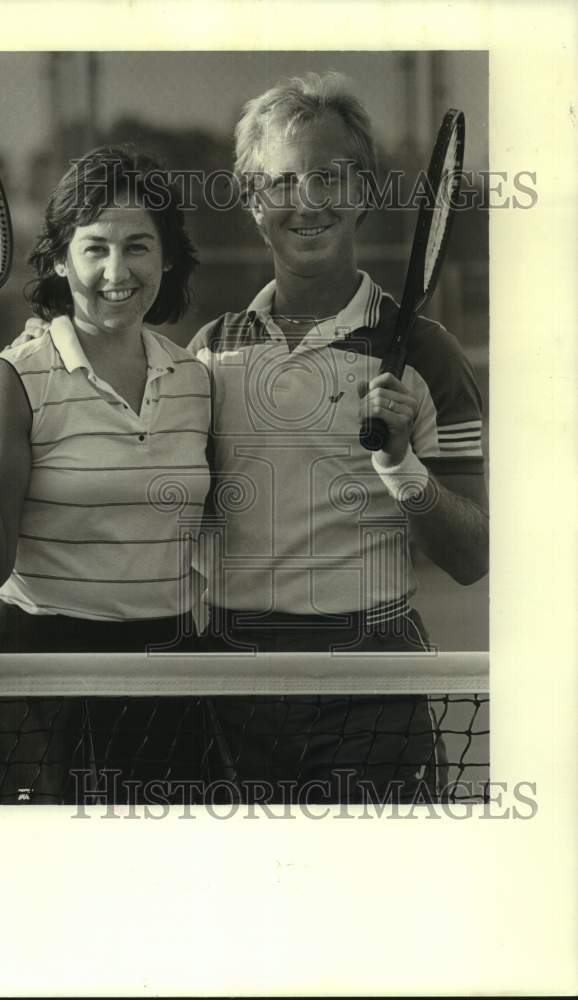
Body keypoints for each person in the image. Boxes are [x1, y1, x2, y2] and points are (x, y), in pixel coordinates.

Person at [189, 72, 489, 803]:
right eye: (283, 181)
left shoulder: (426, 352)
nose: (309, 201)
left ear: (364, 191)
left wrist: (398, 463)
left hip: (374, 684)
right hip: (231, 680)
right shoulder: (207, 353)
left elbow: (473, 554)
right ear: (255, 203)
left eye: (330, 176)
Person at [0, 146, 212, 803]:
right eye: (95, 248)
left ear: (167, 257)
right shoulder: (18, 376)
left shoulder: (196, 380)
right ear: (61, 260)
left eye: (138, 246)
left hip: (168, 679)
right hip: (46, 685)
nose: (118, 271)